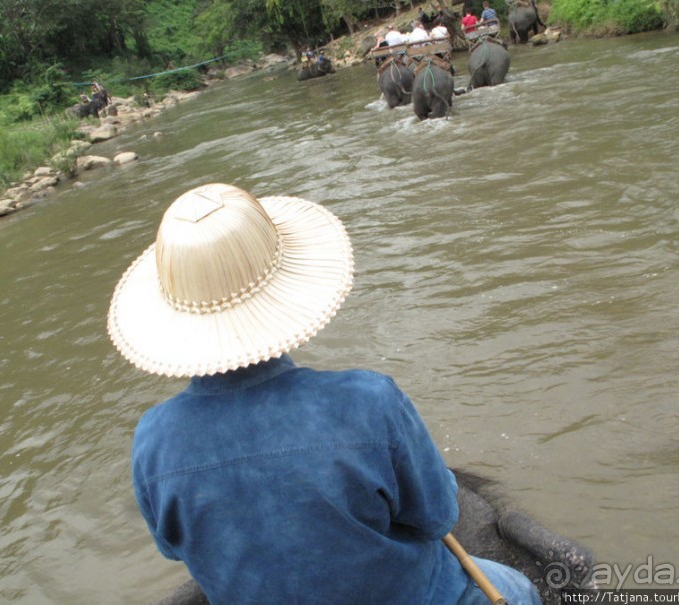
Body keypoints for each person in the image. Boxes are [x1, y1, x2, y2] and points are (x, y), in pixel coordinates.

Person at [107, 183, 542, 605]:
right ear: (286, 291)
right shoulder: (369, 399)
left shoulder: (152, 438)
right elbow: (438, 517)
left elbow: (172, 548)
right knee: (518, 590)